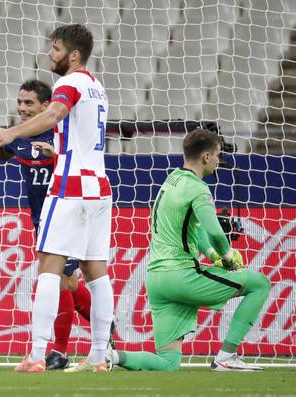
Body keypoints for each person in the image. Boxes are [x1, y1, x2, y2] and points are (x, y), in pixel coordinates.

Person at [0, 24, 115, 373]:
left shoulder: (68, 84)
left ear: (74, 55)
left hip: (69, 186)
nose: (50, 55)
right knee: (96, 271)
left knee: (49, 268)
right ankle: (100, 354)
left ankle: (36, 354)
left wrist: (9, 132)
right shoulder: (97, 87)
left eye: (55, 49)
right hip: (100, 187)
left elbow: (54, 114)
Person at [108, 129, 270, 372]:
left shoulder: (171, 180)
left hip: (157, 281)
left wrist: (213, 255)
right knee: (260, 284)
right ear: (206, 156)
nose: (218, 161)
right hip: (182, 276)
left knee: (168, 364)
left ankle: (112, 356)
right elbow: (214, 231)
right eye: (217, 155)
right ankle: (226, 357)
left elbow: (197, 229)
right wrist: (226, 255)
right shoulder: (198, 188)